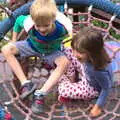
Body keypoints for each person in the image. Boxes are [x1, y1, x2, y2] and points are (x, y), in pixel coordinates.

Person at [1, 0, 72, 114]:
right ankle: (26, 83)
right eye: (38, 25)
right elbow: (18, 22)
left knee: (64, 62)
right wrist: (13, 41)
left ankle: (40, 94)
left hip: (51, 52)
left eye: (46, 25)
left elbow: (71, 38)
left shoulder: (62, 28)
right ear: (33, 21)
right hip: (31, 46)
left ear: (53, 20)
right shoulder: (28, 22)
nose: (42, 29)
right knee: (6, 49)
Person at [58, 27, 113, 117]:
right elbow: (71, 51)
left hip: (91, 87)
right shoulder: (87, 58)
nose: (75, 53)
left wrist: (98, 107)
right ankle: (72, 77)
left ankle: (67, 80)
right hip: (85, 71)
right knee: (65, 52)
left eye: (80, 52)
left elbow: (106, 88)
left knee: (62, 89)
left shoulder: (98, 70)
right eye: (74, 49)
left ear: (92, 53)